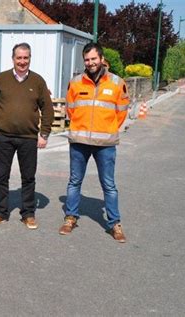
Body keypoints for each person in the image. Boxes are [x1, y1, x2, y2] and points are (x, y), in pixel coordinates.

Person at [59, 42, 130, 242]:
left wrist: (107, 128)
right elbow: (70, 108)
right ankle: (70, 217)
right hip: (79, 141)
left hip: (105, 144)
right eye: (87, 60)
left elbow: (122, 111)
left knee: (109, 184)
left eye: (93, 59)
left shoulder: (117, 83)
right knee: (74, 181)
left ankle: (114, 223)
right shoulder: (75, 83)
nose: (90, 63)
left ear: (101, 58)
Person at [0, 42, 54, 230]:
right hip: (3, 137)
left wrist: (44, 133)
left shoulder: (38, 81)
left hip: (28, 139)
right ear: (13, 59)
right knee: (1, 176)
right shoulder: (1, 79)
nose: (22, 61)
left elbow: (47, 109)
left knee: (28, 177)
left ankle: (28, 213)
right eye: (19, 58)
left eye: (26, 58)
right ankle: (0, 212)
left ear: (30, 58)